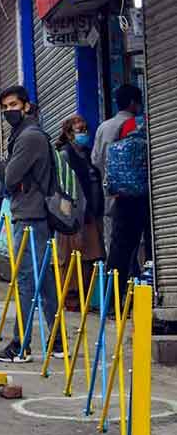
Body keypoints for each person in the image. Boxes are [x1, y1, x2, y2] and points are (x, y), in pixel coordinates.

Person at [0, 85, 61, 363]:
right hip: (33, 214)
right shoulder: (25, 134)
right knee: (43, 280)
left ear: (26, 106)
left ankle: (20, 345)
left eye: (13, 105)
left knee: (25, 280)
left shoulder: (29, 137)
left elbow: (10, 178)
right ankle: (57, 342)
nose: (8, 111)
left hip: (32, 217)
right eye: (4, 107)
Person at [91, 84, 151, 290]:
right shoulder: (141, 124)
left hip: (115, 195)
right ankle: (144, 287)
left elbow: (96, 160)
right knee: (148, 243)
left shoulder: (103, 127)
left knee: (118, 245)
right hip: (143, 194)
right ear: (135, 103)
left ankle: (114, 295)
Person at [55, 115, 105, 311]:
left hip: (90, 213)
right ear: (68, 133)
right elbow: (62, 188)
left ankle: (84, 297)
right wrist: (68, 217)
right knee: (71, 257)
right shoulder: (65, 154)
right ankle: (71, 299)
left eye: (85, 129)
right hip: (74, 215)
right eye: (79, 130)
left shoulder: (86, 153)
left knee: (91, 255)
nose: (84, 134)